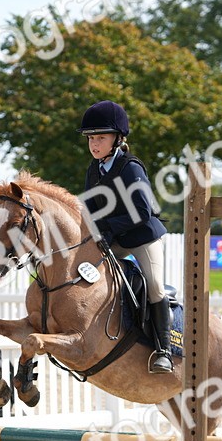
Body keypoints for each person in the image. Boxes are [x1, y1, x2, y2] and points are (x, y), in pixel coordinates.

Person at [79, 100, 173, 374]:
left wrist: (107, 228)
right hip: (115, 237)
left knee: (154, 286)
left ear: (117, 139)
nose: (94, 144)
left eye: (101, 138)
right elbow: (90, 209)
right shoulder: (94, 170)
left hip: (143, 237)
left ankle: (163, 350)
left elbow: (143, 211)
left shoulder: (131, 167)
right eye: (91, 139)